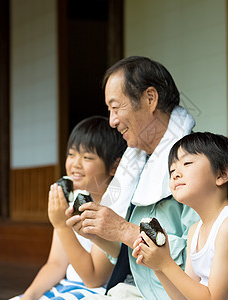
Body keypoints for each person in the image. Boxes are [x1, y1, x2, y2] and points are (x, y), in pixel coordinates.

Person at [67, 56, 200, 299]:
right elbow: (129, 260)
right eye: (109, 110)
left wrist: (123, 229)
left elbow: (200, 257)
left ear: (150, 98)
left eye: (116, 108)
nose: (112, 121)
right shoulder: (137, 164)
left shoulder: (196, 163)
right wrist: (96, 233)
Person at [132, 132, 228, 299]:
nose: (175, 174)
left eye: (187, 163)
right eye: (172, 170)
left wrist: (166, 263)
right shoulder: (194, 231)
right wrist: (158, 266)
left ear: (221, 174)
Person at [11, 116, 127, 300]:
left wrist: (61, 225)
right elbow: (56, 264)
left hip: (96, 292)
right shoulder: (74, 199)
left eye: (87, 157)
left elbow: (94, 279)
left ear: (115, 165)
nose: (75, 164)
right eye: (71, 154)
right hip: (67, 286)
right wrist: (29, 296)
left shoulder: (113, 208)